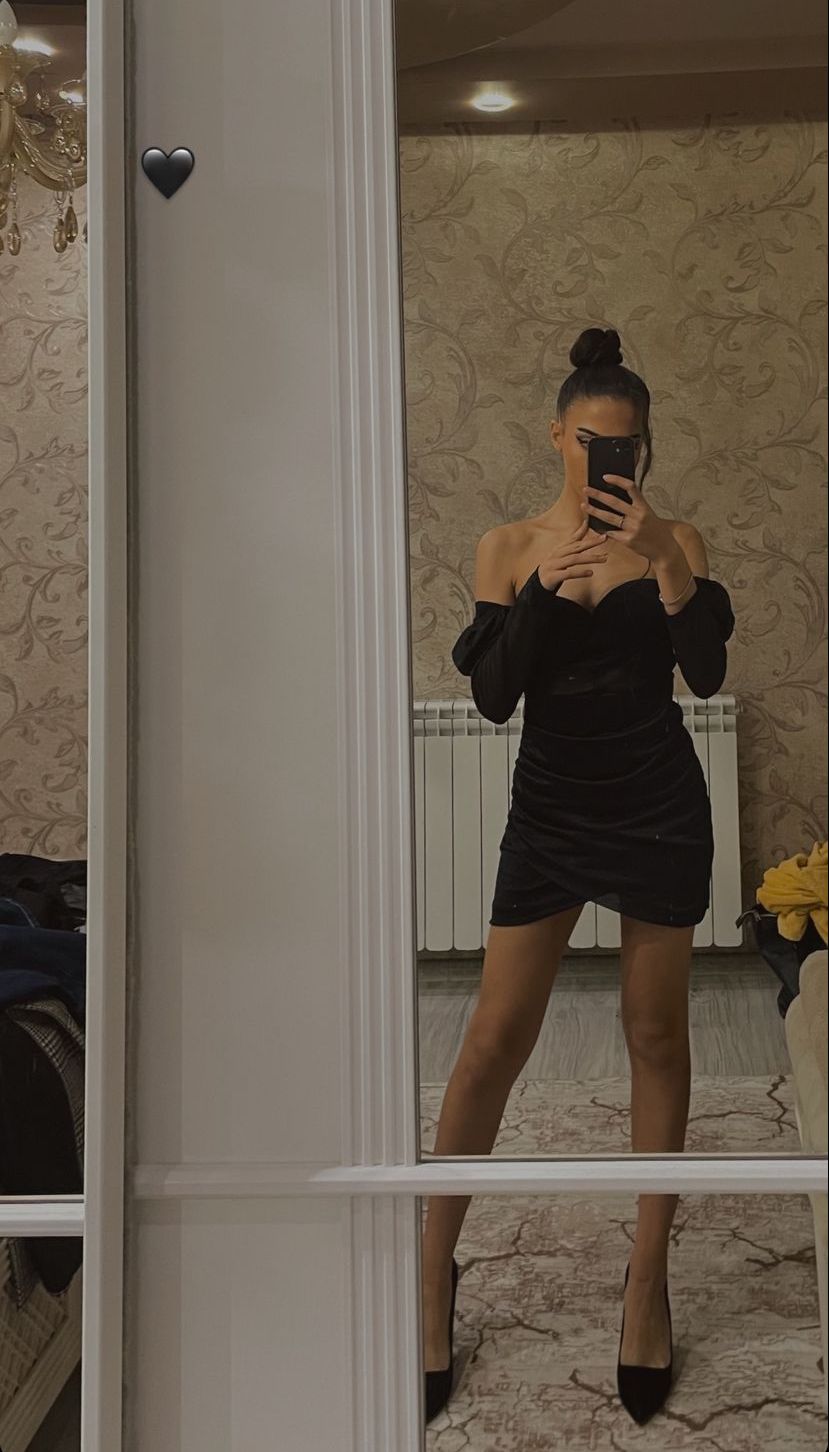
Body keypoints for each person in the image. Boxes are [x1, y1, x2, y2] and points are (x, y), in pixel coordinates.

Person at [422, 326, 735, 1427]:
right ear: (555, 435)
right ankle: (430, 1269)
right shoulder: (507, 547)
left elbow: (706, 673)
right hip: (551, 809)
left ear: (641, 450)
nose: (610, 461)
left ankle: (646, 1284)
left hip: (656, 806)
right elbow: (494, 698)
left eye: (627, 447)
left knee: (656, 1036)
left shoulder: (673, 541)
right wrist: (545, 595)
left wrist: (664, 561)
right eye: (591, 442)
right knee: (490, 1041)